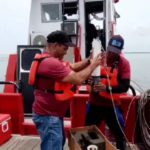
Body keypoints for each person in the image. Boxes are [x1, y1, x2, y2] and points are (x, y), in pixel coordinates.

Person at [32, 30, 101, 150]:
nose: (66, 51)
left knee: (58, 143)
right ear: (55, 45)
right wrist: (94, 65)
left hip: (51, 115)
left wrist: (89, 60)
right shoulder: (51, 64)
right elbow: (78, 79)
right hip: (48, 116)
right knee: (53, 146)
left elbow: (73, 66)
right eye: (65, 47)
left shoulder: (51, 60)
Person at [85, 35, 131, 150]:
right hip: (95, 103)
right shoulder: (97, 58)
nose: (112, 54)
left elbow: (125, 86)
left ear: (120, 51)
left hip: (112, 106)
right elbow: (84, 75)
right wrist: (88, 80)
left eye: (116, 52)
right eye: (110, 50)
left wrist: (106, 88)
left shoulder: (123, 63)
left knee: (120, 134)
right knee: (88, 133)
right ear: (107, 47)